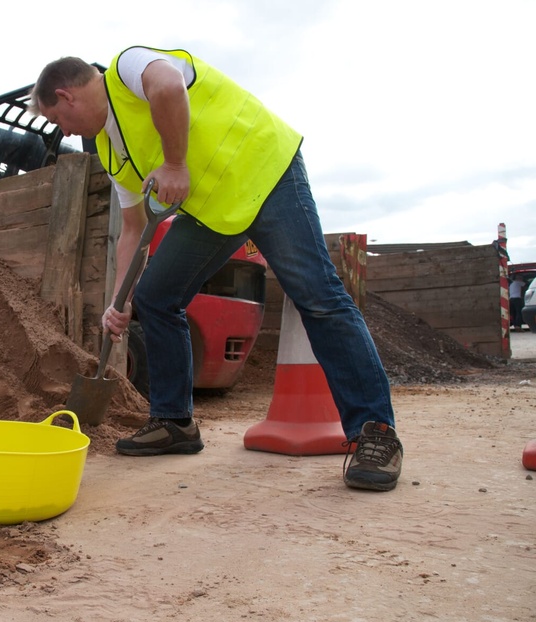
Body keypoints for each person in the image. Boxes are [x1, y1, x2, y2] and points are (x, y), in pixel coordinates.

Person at [30, 47, 403, 491]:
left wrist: (173, 164)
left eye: (57, 121)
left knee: (318, 296)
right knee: (155, 297)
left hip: (265, 174)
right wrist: (119, 301)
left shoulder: (126, 68)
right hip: (215, 213)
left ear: (66, 95)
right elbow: (132, 230)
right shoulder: (112, 151)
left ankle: (376, 433)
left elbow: (167, 85)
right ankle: (174, 422)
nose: (65, 132)